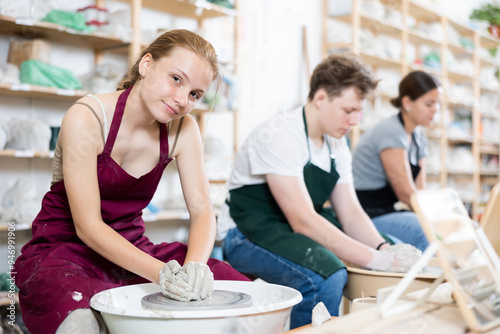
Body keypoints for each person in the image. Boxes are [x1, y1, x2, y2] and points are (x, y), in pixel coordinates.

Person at [13, 29, 249, 334]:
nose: (181, 100)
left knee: (238, 291)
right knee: (81, 324)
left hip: (133, 249)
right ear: (146, 64)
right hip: (64, 252)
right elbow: (88, 226)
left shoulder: (184, 129)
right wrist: (160, 273)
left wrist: (194, 268)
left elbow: (203, 211)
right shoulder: (88, 117)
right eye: (176, 79)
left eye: (195, 94)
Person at [217, 54, 422, 329]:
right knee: (325, 275)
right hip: (245, 232)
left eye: (358, 112)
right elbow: (303, 220)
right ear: (321, 98)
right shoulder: (281, 135)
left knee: (395, 248)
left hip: (293, 225)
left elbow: (350, 213)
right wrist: (375, 258)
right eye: (348, 111)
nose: (354, 120)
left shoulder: (336, 142)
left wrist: (384, 249)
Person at [352, 70, 441, 251]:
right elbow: (406, 194)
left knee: (439, 230)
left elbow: (420, 192)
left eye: (438, 104)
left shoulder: (418, 136)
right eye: (429, 104)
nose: (435, 110)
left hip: (387, 210)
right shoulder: (391, 131)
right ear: (407, 102)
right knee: (425, 232)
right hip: (364, 214)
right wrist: (438, 221)